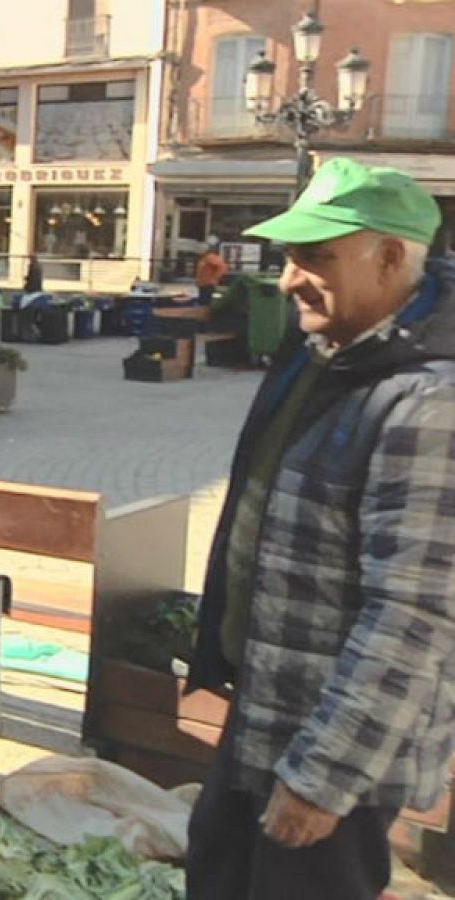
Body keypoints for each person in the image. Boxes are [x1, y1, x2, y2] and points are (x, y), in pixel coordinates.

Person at [184, 158, 455, 900]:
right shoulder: (331, 349)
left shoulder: (429, 402)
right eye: (289, 257)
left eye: (316, 258)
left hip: (335, 744)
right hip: (273, 701)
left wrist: (325, 779)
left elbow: (415, 614)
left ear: (393, 257)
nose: (287, 279)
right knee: (215, 863)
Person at [195, 238, 229, 305]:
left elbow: (222, 267)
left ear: (205, 250)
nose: (198, 250)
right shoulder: (203, 258)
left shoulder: (211, 257)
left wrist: (214, 279)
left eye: (200, 248)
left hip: (208, 285)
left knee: (205, 302)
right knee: (202, 302)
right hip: (202, 285)